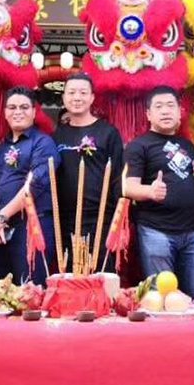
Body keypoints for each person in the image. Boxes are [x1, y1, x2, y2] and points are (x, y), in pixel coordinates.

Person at [124, 86, 194, 299]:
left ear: (180, 112)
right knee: (161, 297)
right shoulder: (138, 146)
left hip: (192, 232)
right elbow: (128, 187)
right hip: (156, 231)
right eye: (159, 106)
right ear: (148, 114)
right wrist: (150, 191)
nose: (165, 111)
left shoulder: (188, 145)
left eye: (170, 105)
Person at [0, 86, 60, 285]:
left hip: (33, 227)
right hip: (1, 231)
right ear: (5, 113)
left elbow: (35, 185)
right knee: (2, 291)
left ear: (34, 112)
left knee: (30, 290)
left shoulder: (43, 143)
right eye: (12, 107)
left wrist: (2, 216)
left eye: (24, 107)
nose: (18, 112)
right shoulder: (0, 149)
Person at [53, 73, 123, 273]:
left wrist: (118, 220)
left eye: (83, 93)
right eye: (71, 93)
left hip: (101, 218)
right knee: (70, 278)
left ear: (92, 97)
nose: (77, 97)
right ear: (64, 97)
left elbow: (118, 177)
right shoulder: (57, 135)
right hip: (65, 220)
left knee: (101, 276)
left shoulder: (108, 133)